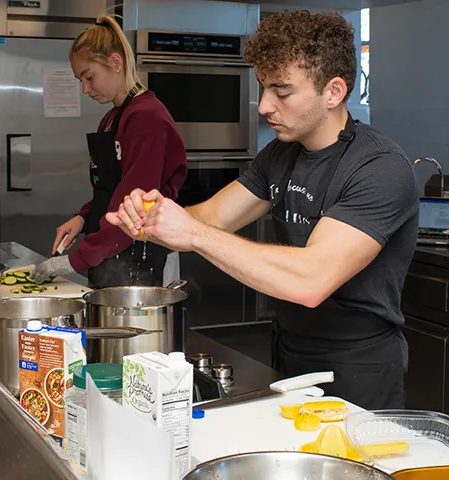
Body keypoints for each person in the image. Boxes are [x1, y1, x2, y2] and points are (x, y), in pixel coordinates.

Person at [106, 10, 419, 410]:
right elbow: (214, 216)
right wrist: (152, 218)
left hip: (359, 366)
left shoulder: (378, 167)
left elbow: (311, 280)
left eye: (282, 92)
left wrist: (193, 235)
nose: (264, 106)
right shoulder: (281, 153)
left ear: (334, 92)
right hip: (289, 351)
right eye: (262, 88)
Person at [33, 16, 187, 288]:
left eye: (89, 77)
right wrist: (83, 217)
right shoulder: (113, 118)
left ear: (116, 63)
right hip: (112, 248)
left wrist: (75, 260)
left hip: (142, 253)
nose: (85, 89)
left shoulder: (146, 119)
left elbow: (135, 206)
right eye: (80, 80)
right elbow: (113, 188)